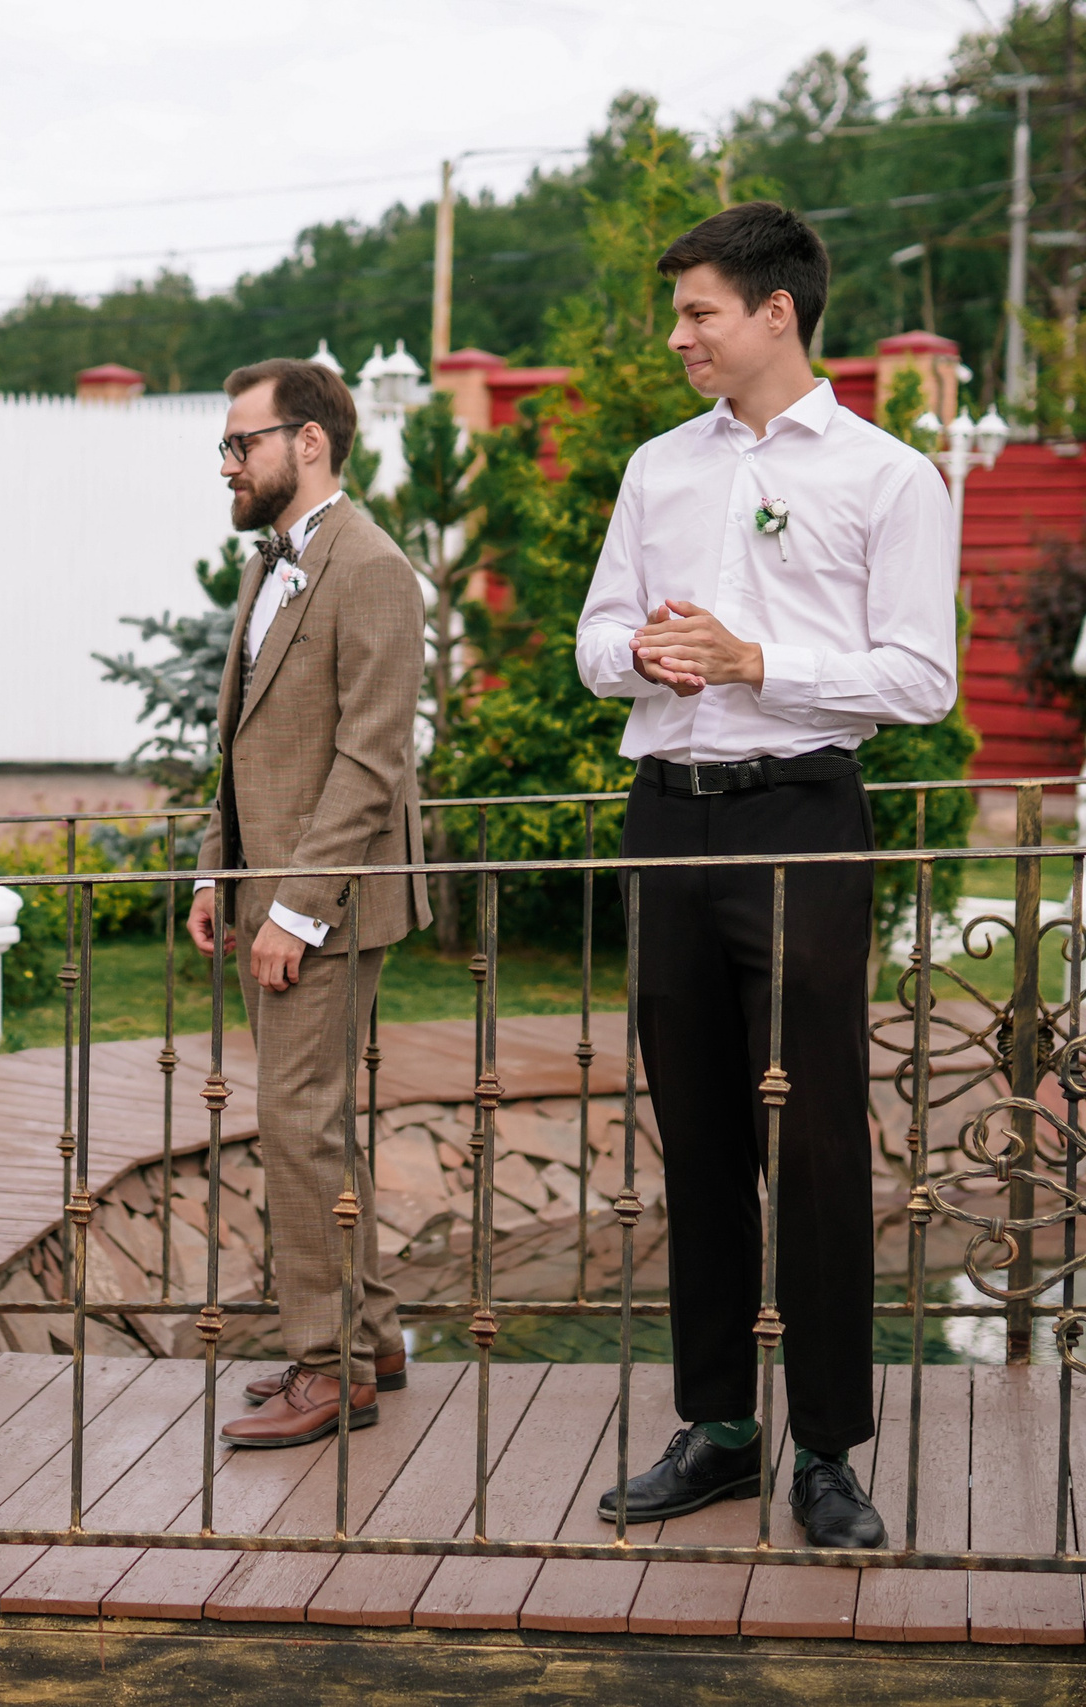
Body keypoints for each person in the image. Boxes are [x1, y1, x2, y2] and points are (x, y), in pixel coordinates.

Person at [577, 202, 955, 1550]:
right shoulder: (657, 469)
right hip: (667, 820)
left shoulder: (889, 477)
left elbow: (921, 676)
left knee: (816, 1141)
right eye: (679, 312)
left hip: (802, 815)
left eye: (698, 311)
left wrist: (758, 664)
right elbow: (595, 635)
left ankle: (833, 1449)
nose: (679, 335)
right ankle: (721, 1427)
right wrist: (644, 656)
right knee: (697, 1135)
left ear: (776, 311)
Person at [185, 358, 430, 1449]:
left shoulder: (370, 567)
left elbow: (369, 760)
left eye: (243, 444)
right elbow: (242, 737)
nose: (228, 464)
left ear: (310, 442)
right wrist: (213, 869)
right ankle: (370, 1336)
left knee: (292, 1126)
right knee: (316, 1120)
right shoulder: (274, 563)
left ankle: (325, 1369)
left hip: (323, 901)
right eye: (228, 448)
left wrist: (294, 908)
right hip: (267, 885)